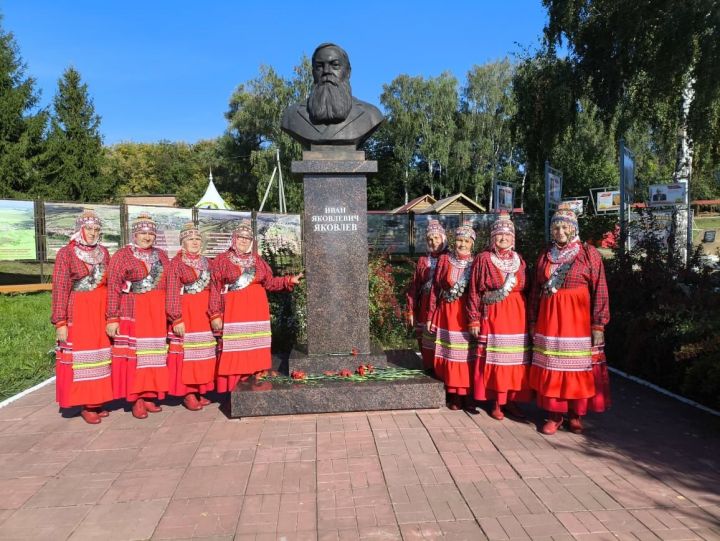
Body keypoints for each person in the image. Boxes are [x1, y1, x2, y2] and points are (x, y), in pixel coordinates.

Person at [529, 203, 611, 435]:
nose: (560, 232)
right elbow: (536, 289)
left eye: (565, 227)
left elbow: (600, 289)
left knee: (576, 365)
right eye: (556, 228)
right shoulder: (546, 254)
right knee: (553, 363)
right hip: (550, 319)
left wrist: (598, 323)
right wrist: (533, 321)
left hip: (578, 320)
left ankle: (575, 414)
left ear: (574, 229)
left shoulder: (588, 253)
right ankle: (555, 414)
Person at [209, 219, 303, 393]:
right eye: (240, 237)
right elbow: (215, 288)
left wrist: (289, 280)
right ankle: (234, 391)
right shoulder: (222, 261)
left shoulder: (257, 261)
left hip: (257, 312)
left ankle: (254, 385)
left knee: (255, 349)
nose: (244, 241)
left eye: (247, 238)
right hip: (235, 312)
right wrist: (215, 314)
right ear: (233, 238)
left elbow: (270, 283)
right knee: (237, 351)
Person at [467, 213, 532, 420]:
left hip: (517, 314)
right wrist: (474, 318)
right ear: (492, 237)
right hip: (494, 314)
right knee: (496, 358)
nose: (503, 238)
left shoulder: (519, 260)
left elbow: (528, 288)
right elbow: (475, 291)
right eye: (498, 234)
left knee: (515, 359)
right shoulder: (484, 259)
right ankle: (496, 401)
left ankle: (511, 399)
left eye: (507, 235)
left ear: (513, 238)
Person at [51, 209, 113, 424]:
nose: (93, 233)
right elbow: (60, 287)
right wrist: (60, 321)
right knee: (82, 355)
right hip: (79, 309)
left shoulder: (104, 252)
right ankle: (85, 402)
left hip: (100, 309)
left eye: (97, 229)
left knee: (101, 353)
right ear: (79, 229)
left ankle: (97, 400)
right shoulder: (66, 253)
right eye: (89, 228)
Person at [106, 213, 170, 419]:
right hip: (133, 310)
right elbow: (113, 287)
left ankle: (150, 393)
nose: (147, 237)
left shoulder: (161, 255)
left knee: (153, 355)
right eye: (143, 233)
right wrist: (112, 317)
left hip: (156, 312)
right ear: (135, 234)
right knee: (135, 356)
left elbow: (168, 283)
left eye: (151, 233)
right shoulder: (122, 255)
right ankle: (136, 398)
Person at [281, 42, 384, 149]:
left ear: (348, 72)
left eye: (335, 65)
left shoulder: (371, 115)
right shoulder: (291, 116)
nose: (326, 71)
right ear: (313, 73)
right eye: (319, 66)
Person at [427, 222, 478, 411]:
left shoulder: (477, 262)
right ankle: (454, 393)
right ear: (453, 242)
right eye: (458, 240)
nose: (462, 244)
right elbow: (435, 288)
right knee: (451, 354)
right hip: (448, 312)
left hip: (467, 313)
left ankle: (468, 394)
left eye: (466, 241)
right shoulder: (444, 261)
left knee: (468, 355)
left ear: (472, 243)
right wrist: (431, 314)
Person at [166, 222, 217, 411]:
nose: (195, 242)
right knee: (187, 354)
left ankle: (199, 388)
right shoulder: (176, 264)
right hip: (187, 312)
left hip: (204, 313)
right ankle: (187, 392)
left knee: (203, 353)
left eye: (197, 239)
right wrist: (176, 318)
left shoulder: (208, 262)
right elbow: (171, 292)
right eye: (190, 239)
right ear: (183, 243)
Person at [405, 220, 447, 370]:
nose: (433, 242)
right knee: (426, 341)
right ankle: (429, 370)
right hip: (425, 305)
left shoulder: (450, 258)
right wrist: (410, 310)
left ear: (443, 238)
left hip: (443, 305)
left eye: (436, 238)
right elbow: (415, 286)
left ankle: (442, 372)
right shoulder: (423, 260)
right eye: (430, 239)